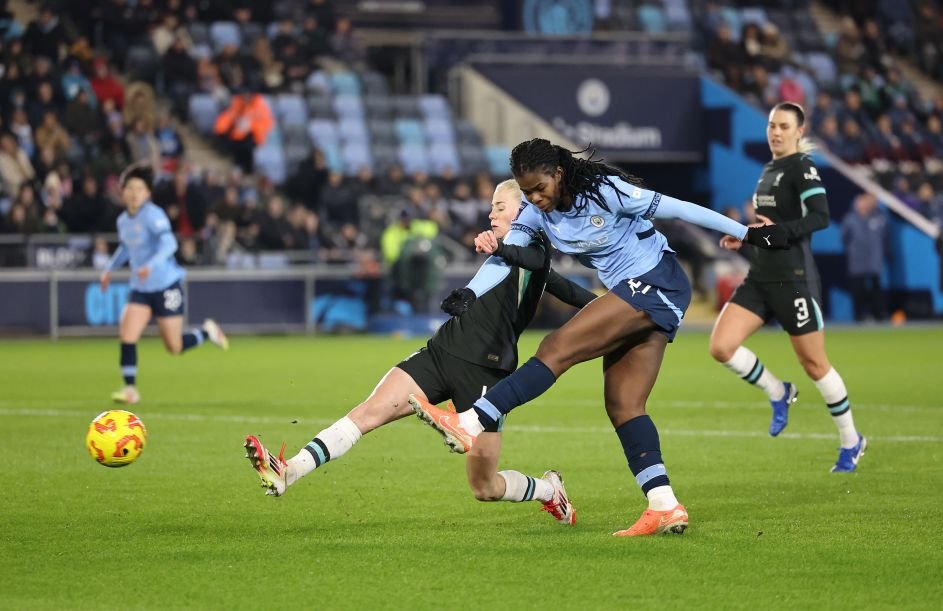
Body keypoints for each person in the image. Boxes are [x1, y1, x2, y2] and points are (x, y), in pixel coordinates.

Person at [410, 138, 788, 537]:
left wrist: (746, 233)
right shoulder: (537, 215)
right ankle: (664, 504)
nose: (535, 198)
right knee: (623, 404)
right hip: (634, 292)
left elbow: (680, 208)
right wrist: (471, 292)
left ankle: (471, 420)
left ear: (558, 173)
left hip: (657, 281)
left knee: (556, 349)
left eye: (540, 188)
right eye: (526, 192)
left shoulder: (607, 191)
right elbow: (505, 255)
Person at [243, 180, 597, 524]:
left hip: (486, 374)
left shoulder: (531, 251)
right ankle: (289, 471)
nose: (491, 214)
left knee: (484, 487)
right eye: (491, 206)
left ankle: (549, 491)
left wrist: (617, 311)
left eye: (500, 207)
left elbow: (544, 268)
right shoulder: (501, 253)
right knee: (369, 412)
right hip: (441, 353)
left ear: (525, 211)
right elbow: (559, 284)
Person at [707, 102, 866, 473]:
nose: (775, 132)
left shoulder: (801, 167)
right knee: (721, 346)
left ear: (799, 130)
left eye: (783, 126)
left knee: (814, 363)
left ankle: (851, 441)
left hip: (794, 280)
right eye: (771, 126)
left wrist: (775, 233)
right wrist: (746, 238)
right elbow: (769, 227)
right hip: (760, 277)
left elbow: (821, 217)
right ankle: (779, 392)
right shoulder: (769, 169)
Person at [100, 164, 229, 405]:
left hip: (166, 284)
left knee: (174, 346)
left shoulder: (154, 215)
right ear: (123, 192)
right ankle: (130, 389)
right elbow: (126, 247)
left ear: (147, 193)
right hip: (141, 287)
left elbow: (169, 245)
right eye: (130, 188)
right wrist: (108, 270)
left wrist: (151, 264)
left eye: (140, 189)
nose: (135, 193)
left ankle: (207, 332)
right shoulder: (123, 221)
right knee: (127, 334)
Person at [841, 192, 888, 322]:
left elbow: (885, 237)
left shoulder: (878, 217)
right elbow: (844, 238)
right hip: (857, 260)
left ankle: (878, 315)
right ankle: (859, 316)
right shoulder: (850, 219)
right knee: (858, 289)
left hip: (874, 259)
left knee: (876, 288)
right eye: (860, 203)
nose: (863, 205)